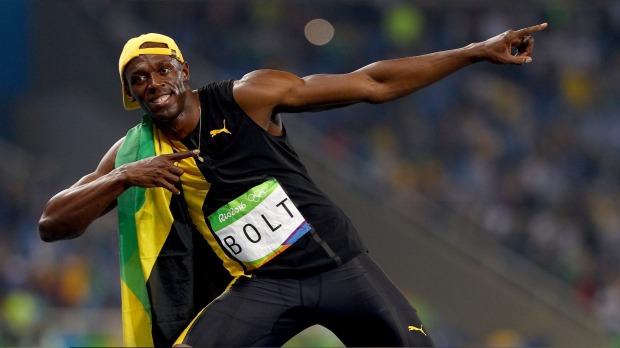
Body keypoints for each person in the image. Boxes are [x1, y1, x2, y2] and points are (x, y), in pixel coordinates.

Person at [38, 22, 548, 347]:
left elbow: (371, 83)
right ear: (131, 93)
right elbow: (52, 222)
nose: (152, 83)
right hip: (264, 285)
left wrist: (476, 51)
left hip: (340, 268)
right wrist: (126, 177)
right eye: (138, 79)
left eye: (161, 69)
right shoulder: (135, 152)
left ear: (183, 71)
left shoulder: (247, 96)